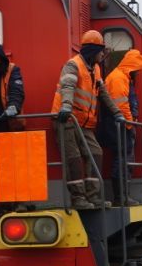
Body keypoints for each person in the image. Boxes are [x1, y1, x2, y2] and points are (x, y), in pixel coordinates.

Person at [51, 30, 123, 209]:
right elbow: (67, 86)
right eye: (101, 51)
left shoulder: (96, 69)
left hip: (83, 122)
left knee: (96, 152)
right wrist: (66, 105)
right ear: (93, 50)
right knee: (73, 157)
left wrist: (116, 112)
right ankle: (78, 199)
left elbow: (103, 93)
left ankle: (93, 196)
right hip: (66, 119)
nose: (102, 55)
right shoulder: (73, 65)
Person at [101, 48, 142, 206]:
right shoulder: (119, 78)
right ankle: (121, 197)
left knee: (124, 158)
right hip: (118, 124)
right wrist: (129, 125)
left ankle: (123, 195)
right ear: (132, 66)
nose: (138, 73)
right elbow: (121, 104)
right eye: (137, 69)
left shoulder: (121, 76)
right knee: (122, 158)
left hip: (118, 123)